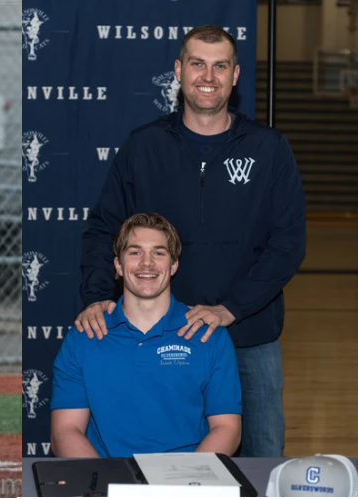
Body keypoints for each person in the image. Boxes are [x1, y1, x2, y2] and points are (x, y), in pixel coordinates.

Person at [75, 25, 306, 458]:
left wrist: (230, 309)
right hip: (164, 335)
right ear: (179, 71)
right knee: (168, 461)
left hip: (248, 338)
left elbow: (289, 243)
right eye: (198, 63)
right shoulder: (144, 146)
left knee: (261, 460)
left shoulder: (269, 149)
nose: (208, 76)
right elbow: (104, 228)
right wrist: (93, 297)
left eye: (220, 66)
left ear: (235, 75)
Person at [52, 213, 242, 458]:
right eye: (135, 252)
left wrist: (184, 485)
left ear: (174, 265)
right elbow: (66, 430)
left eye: (159, 253)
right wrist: (105, 488)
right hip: (109, 481)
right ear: (118, 265)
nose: (147, 263)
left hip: (185, 482)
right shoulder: (85, 336)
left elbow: (227, 428)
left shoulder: (209, 337)